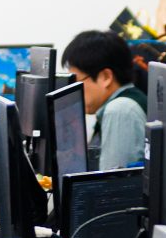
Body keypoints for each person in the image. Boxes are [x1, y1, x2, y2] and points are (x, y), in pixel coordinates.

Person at [62, 29, 147, 170]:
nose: (74, 90)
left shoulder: (120, 110)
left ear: (106, 77)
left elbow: (114, 182)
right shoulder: (128, 101)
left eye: (77, 82)